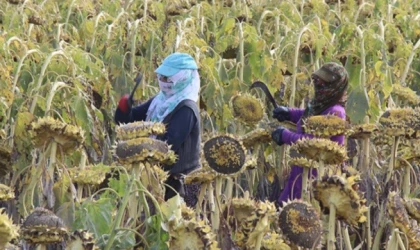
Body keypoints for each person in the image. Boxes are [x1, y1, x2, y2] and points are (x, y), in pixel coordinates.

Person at [115, 52, 201, 207]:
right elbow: (133, 121)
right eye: (161, 77)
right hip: (157, 177)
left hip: (179, 185)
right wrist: (124, 109)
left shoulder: (187, 108)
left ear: (182, 78)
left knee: (175, 227)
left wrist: (135, 151)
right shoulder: (160, 100)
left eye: (167, 78)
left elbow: (166, 145)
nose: (163, 81)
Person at [271, 62, 348, 204]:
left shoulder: (336, 112)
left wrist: (285, 136)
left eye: (323, 82)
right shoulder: (323, 103)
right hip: (302, 171)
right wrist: (289, 113)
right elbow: (309, 116)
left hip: (318, 177)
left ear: (335, 86)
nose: (318, 85)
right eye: (317, 81)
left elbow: (312, 143)